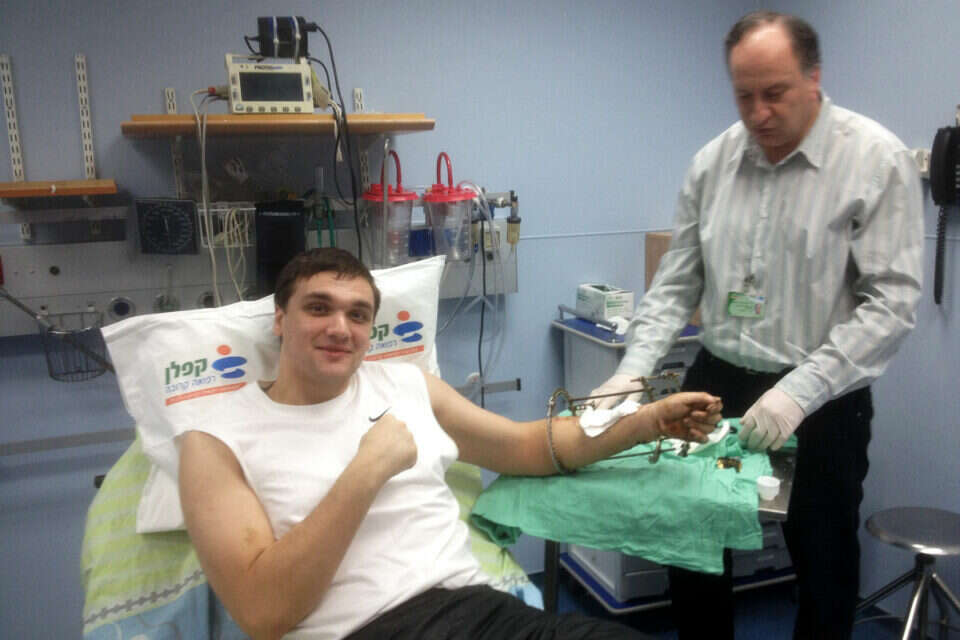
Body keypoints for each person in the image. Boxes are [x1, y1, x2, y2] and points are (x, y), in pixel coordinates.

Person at [177, 247, 723, 640]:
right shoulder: (215, 438)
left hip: (485, 616)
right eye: (318, 308)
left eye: (358, 314)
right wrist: (367, 470)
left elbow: (526, 446)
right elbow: (264, 613)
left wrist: (643, 422)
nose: (340, 327)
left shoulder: (406, 386)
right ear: (279, 319)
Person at [591, 10, 923, 640]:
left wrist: (799, 392)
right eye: (744, 95)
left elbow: (890, 304)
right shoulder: (713, 162)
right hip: (717, 385)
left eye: (775, 93)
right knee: (692, 548)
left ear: (814, 77)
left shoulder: (875, 161)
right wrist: (632, 372)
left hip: (823, 402)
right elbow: (677, 283)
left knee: (823, 566)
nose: (759, 113)